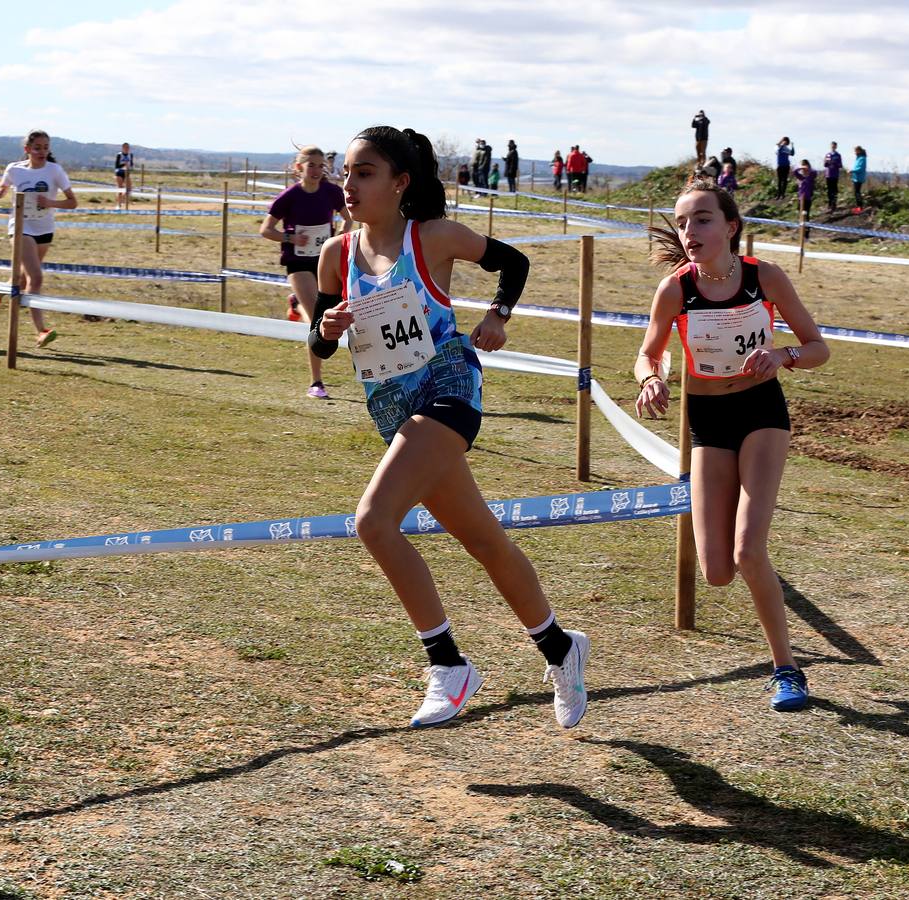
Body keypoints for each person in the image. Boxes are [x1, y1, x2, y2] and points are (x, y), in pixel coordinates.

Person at [309, 125, 590, 729]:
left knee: (373, 521)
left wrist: (498, 316)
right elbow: (319, 341)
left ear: (400, 182)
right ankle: (560, 647)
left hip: (448, 389)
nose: (348, 185)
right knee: (483, 539)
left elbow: (513, 262)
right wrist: (326, 330)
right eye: (345, 172)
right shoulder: (336, 254)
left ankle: (448, 664)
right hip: (392, 407)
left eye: (364, 173)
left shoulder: (432, 237)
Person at [634, 177, 829, 711]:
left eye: (702, 219)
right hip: (709, 420)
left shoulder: (764, 277)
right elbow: (648, 353)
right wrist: (650, 379)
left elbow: (818, 347)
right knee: (718, 571)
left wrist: (783, 356)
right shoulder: (675, 289)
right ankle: (760, 573)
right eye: (682, 222)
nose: (689, 231)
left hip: (761, 412)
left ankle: (787, 669)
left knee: (747, 550)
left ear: (730, 227)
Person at [260, 144, 346, 399]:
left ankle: (296, 304)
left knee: (327, 314)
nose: (317, 170)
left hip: (325, 262)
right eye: (311, 166)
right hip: (297, 264)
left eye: (321, 166)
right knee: (316, 320)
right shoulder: (289, 196)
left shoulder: (332, 192)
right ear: (299, 168)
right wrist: (290, 238)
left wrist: (341, 236)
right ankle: (316, 382)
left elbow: (349, 217)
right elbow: (266, 230)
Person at [0, 129, 78, 348]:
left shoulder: (55, 170)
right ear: (27, 149)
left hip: (44, 229)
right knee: (36, 277)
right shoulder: (14, 169)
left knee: (24, 279)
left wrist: (51, 203)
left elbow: (73, 202)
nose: (42, 152)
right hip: (20, 226)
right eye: (37, 148)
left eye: (46, 148)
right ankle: (41, 331)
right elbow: (2, 186)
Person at [822, 142, 843, 212]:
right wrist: (826, 162)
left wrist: (835, 163)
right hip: (828, 174)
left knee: (834, 190)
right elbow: (825, 165)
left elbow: (840, 165)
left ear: (836, 147)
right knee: (829, 190)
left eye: (834, 146)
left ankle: (834, 204)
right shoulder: (828, 154)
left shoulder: (838, 155)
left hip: (835, 175)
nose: (833, 147)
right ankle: (830, 203)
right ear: (830, 146)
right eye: (832, 146)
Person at [114, 142, 135, 210]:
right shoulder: (119, 155)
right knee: (120, 188)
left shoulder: (130, 155)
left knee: (129, 189)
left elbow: (131, 164)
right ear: (122, 148)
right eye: (125, 147)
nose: (127, 149)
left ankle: (122, 199)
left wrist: (130, 166)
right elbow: (116, 165)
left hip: (127, 173)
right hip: (119, 173)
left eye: (128, 147)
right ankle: (118, 205)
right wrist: (124, 164)